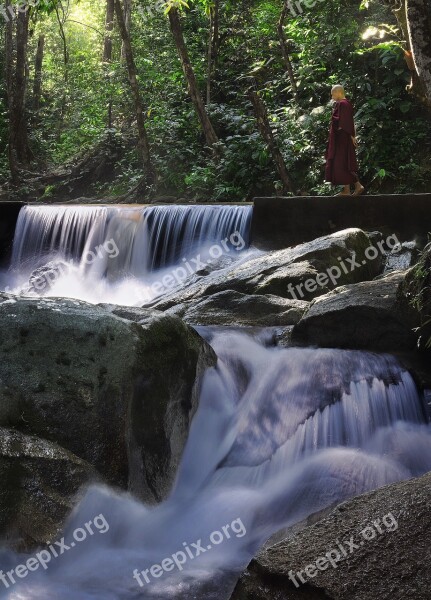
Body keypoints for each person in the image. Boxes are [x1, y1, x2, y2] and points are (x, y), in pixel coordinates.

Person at [325, 84, 365, 196]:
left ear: (339, 92)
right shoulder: (346, 104)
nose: (332, 96)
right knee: (342, 162)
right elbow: (350, 122)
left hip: (342, 138)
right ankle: (346, 190)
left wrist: (351, 136)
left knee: (344, 162)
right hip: (344, 137)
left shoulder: (342, 104)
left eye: (333, 94)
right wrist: (353, 135)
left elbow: (344, 123)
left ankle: (358, 186)